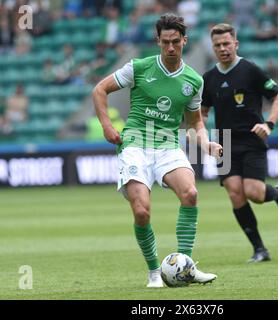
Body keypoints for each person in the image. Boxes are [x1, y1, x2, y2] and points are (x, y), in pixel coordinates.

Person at [92, 14, 222, 288]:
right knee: (142, 212)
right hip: (135, 144)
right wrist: (106, 126)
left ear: (184, 41)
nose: (171, 47)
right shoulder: (139, 67)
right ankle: (154, 272)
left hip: (167, 145)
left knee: (191, 193)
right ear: (158, 42)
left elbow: (195, 121)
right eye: (166, 42)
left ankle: (185, 266)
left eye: (176, 42)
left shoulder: (193, 81)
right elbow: (100, 89)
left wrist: (206, 143)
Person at [201, 23, 278, 263]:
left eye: (226, 44)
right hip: (224, 142)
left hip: (252, 139)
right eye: (217, 45)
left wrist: (269, 124)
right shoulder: (208, 79)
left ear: (236, 44)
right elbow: (200, 113)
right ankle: (260, 249)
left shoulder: (250, 70)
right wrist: (204, 139)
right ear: (213, 47)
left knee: (253, 193)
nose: (222, 49)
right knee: (235, 194)